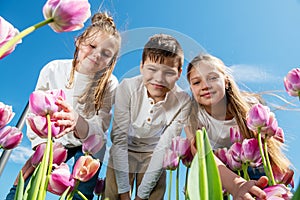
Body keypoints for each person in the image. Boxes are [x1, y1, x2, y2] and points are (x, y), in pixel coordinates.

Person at [5, 12, 121, 200]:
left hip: (87, 145)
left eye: (106, 54)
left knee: (80, 192)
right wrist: (41, 147)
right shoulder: (54, 69)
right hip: (52, 141)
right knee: (26, 182)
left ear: (111, 61)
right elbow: (34, 115)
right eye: (92, 46)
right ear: (79, 41)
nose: (97, 55)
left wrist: (76, 120)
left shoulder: (109, 83)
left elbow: (99, 131)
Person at [185, 53, 292, 199]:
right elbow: (201, 153)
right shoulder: (193, 116)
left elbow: (266, 145)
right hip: (219, 169)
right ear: (191, 88)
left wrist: (280, 170)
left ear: (226, 82)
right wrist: (236, 184)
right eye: (196, 82)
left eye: (212, 78)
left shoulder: (250, 106)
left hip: (253, 166)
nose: (205, 85)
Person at [104, 34, 191, 200]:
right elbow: (119, 140)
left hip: (154, 151)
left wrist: (141, 196)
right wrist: (124, 193)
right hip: (125, 148)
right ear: (142, 66)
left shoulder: (183, 101)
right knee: (113, 191)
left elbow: (165, 146)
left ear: (179, 73)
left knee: (154, 190)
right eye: (152, 69)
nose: (159, 79)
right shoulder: (127, 87)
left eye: (169, 72)